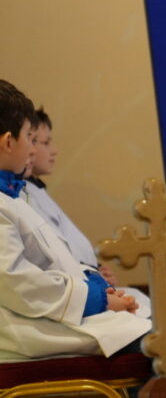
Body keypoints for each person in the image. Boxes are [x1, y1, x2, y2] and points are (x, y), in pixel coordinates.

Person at [0, 80, 148, 361]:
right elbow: (16, 282)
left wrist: (95, 284)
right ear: (8, 142)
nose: (33, 149)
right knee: (160, 342)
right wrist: (96, 299)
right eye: (30, 137)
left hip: (45, 316)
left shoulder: (11, 197)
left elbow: (51, 260)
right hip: (27, 332)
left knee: (157, 331)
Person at [22, 107, 152, 318]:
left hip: (83, 287)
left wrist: (95, 272)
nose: (53, 150)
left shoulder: (34, 191)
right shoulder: (18, 197)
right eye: (43, 142)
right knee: (148, 321)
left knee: (151, 313)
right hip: (68, 297)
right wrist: (93, 280)